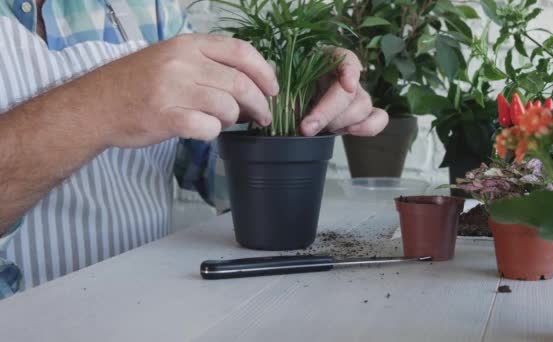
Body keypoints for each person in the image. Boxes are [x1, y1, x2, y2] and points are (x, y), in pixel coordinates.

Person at [0, 0, 388, 299]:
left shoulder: (143, 7)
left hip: (147, 311)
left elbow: (210, 165)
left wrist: (296, 105)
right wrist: (97, 104)